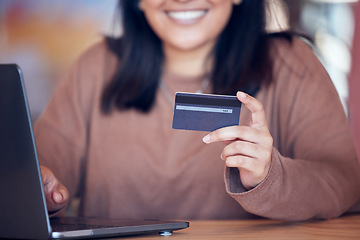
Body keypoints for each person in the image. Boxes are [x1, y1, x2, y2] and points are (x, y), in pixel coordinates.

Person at [35, 0, 360, 221]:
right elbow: (39, 174)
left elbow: (344, 182)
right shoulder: (95, 68)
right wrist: (41, 190)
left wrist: (270, 176)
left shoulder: (293, 66)